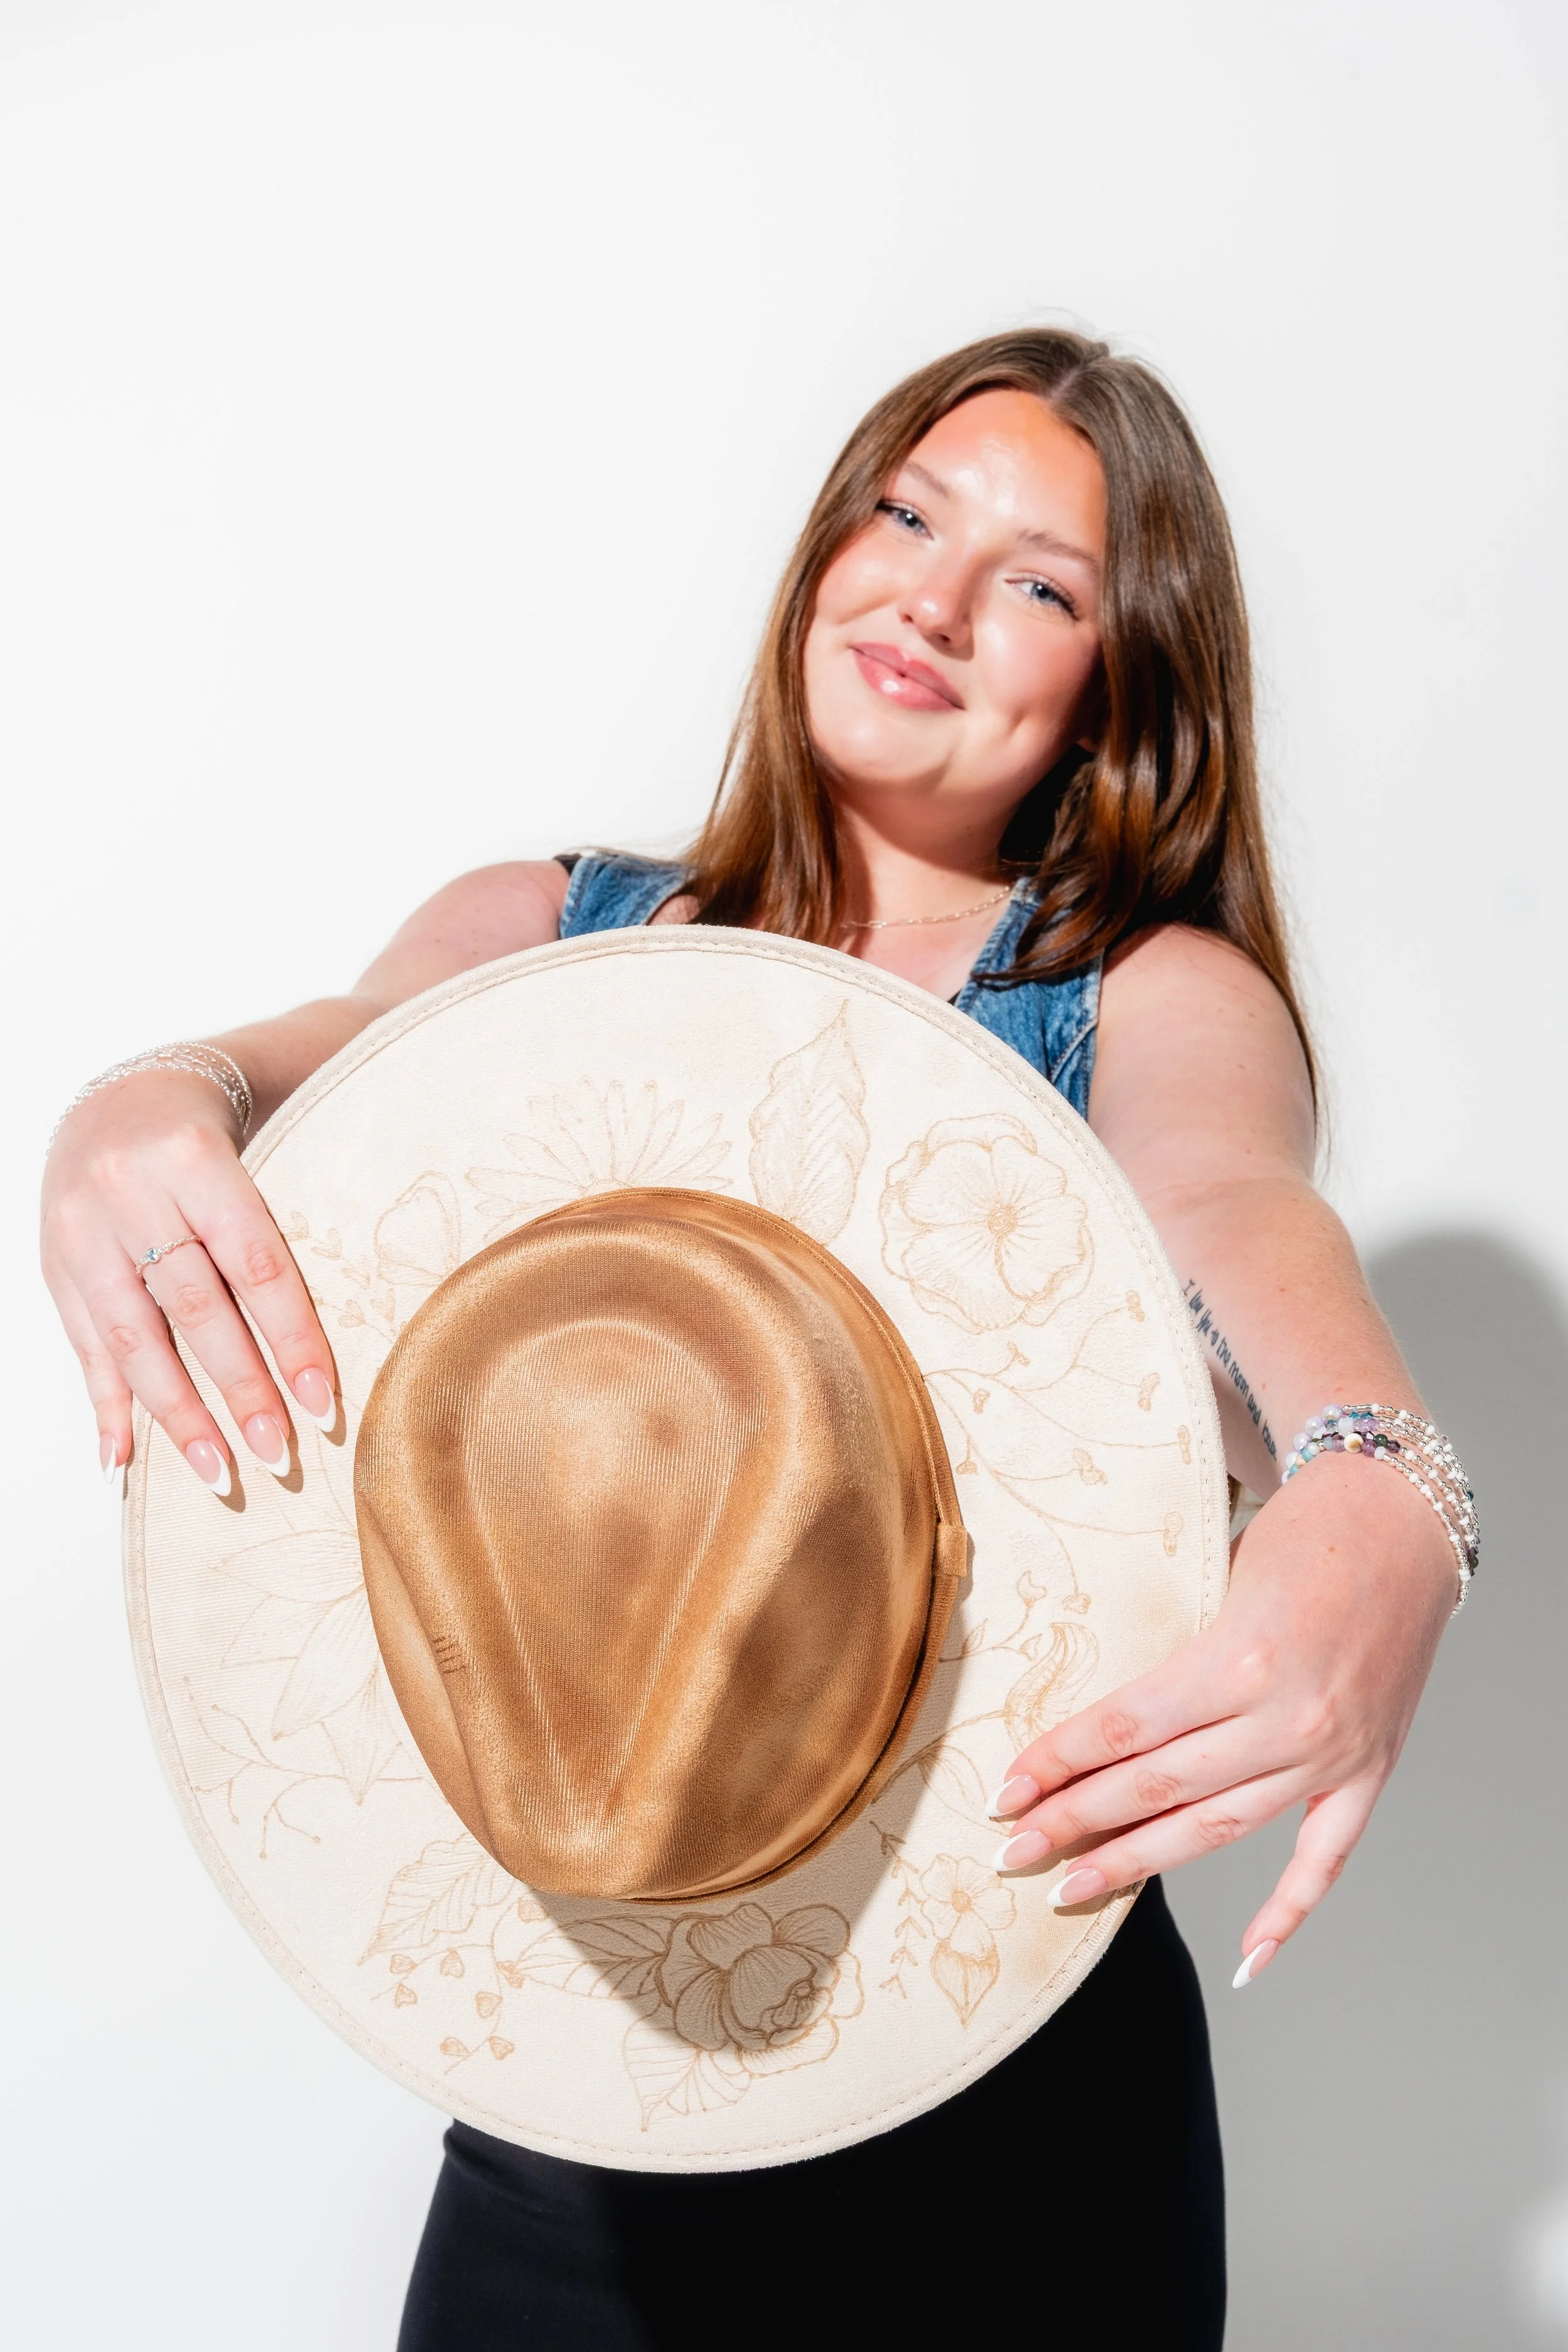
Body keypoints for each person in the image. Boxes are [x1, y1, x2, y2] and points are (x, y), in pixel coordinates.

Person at [40, 329, 1466, 2349]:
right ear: (824, 550)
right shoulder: (537, 929)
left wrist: (1375, 1472)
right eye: (905, 514)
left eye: (1040, 585)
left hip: (1007, 2128)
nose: (936, 598)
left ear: (1112, 693)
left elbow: (1237, 1206)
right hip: (569, 2096)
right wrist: (132, 1102)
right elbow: (282, 1079)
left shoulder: (1146, 992)